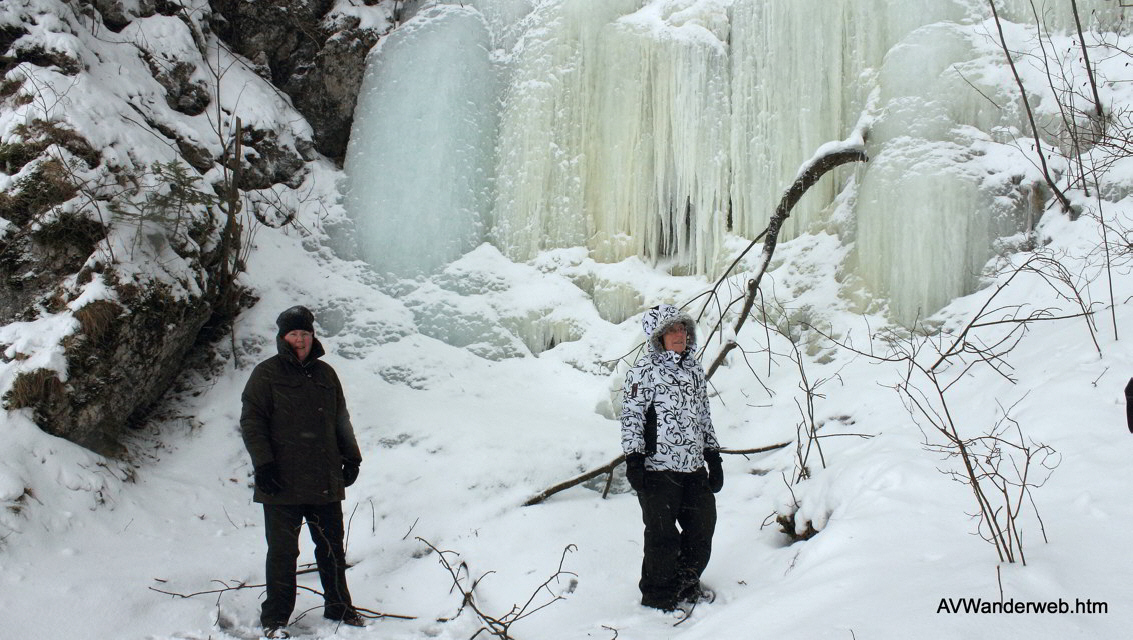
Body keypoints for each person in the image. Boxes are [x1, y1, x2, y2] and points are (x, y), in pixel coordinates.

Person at [240, 305, 365, 639]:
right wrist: (264, 464)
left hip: (324, 480)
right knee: (282, 553)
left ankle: (339, 607)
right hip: (281, 483)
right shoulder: (266, 374)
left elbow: (341, 419)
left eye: (305, 334)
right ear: (283, 338)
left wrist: (352, 458)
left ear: (313, 337)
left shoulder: (326, 374)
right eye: (294, 334)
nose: (300, 340)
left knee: (331, 548)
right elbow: (252, 421)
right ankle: (276, 618)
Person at [620, 303, 724, 612]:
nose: (680, 335)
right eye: (672, 330)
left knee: (702, 528)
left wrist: (713, 455)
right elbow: (632, 417)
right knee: (662, 538)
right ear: (658, 336)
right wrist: (634, 459)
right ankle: (657, 598)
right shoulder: (642, 371)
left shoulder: (694, 369)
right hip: (657, 469)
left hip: (693, 468)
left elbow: (703, 415)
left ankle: (685, 583)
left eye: (683, 329)